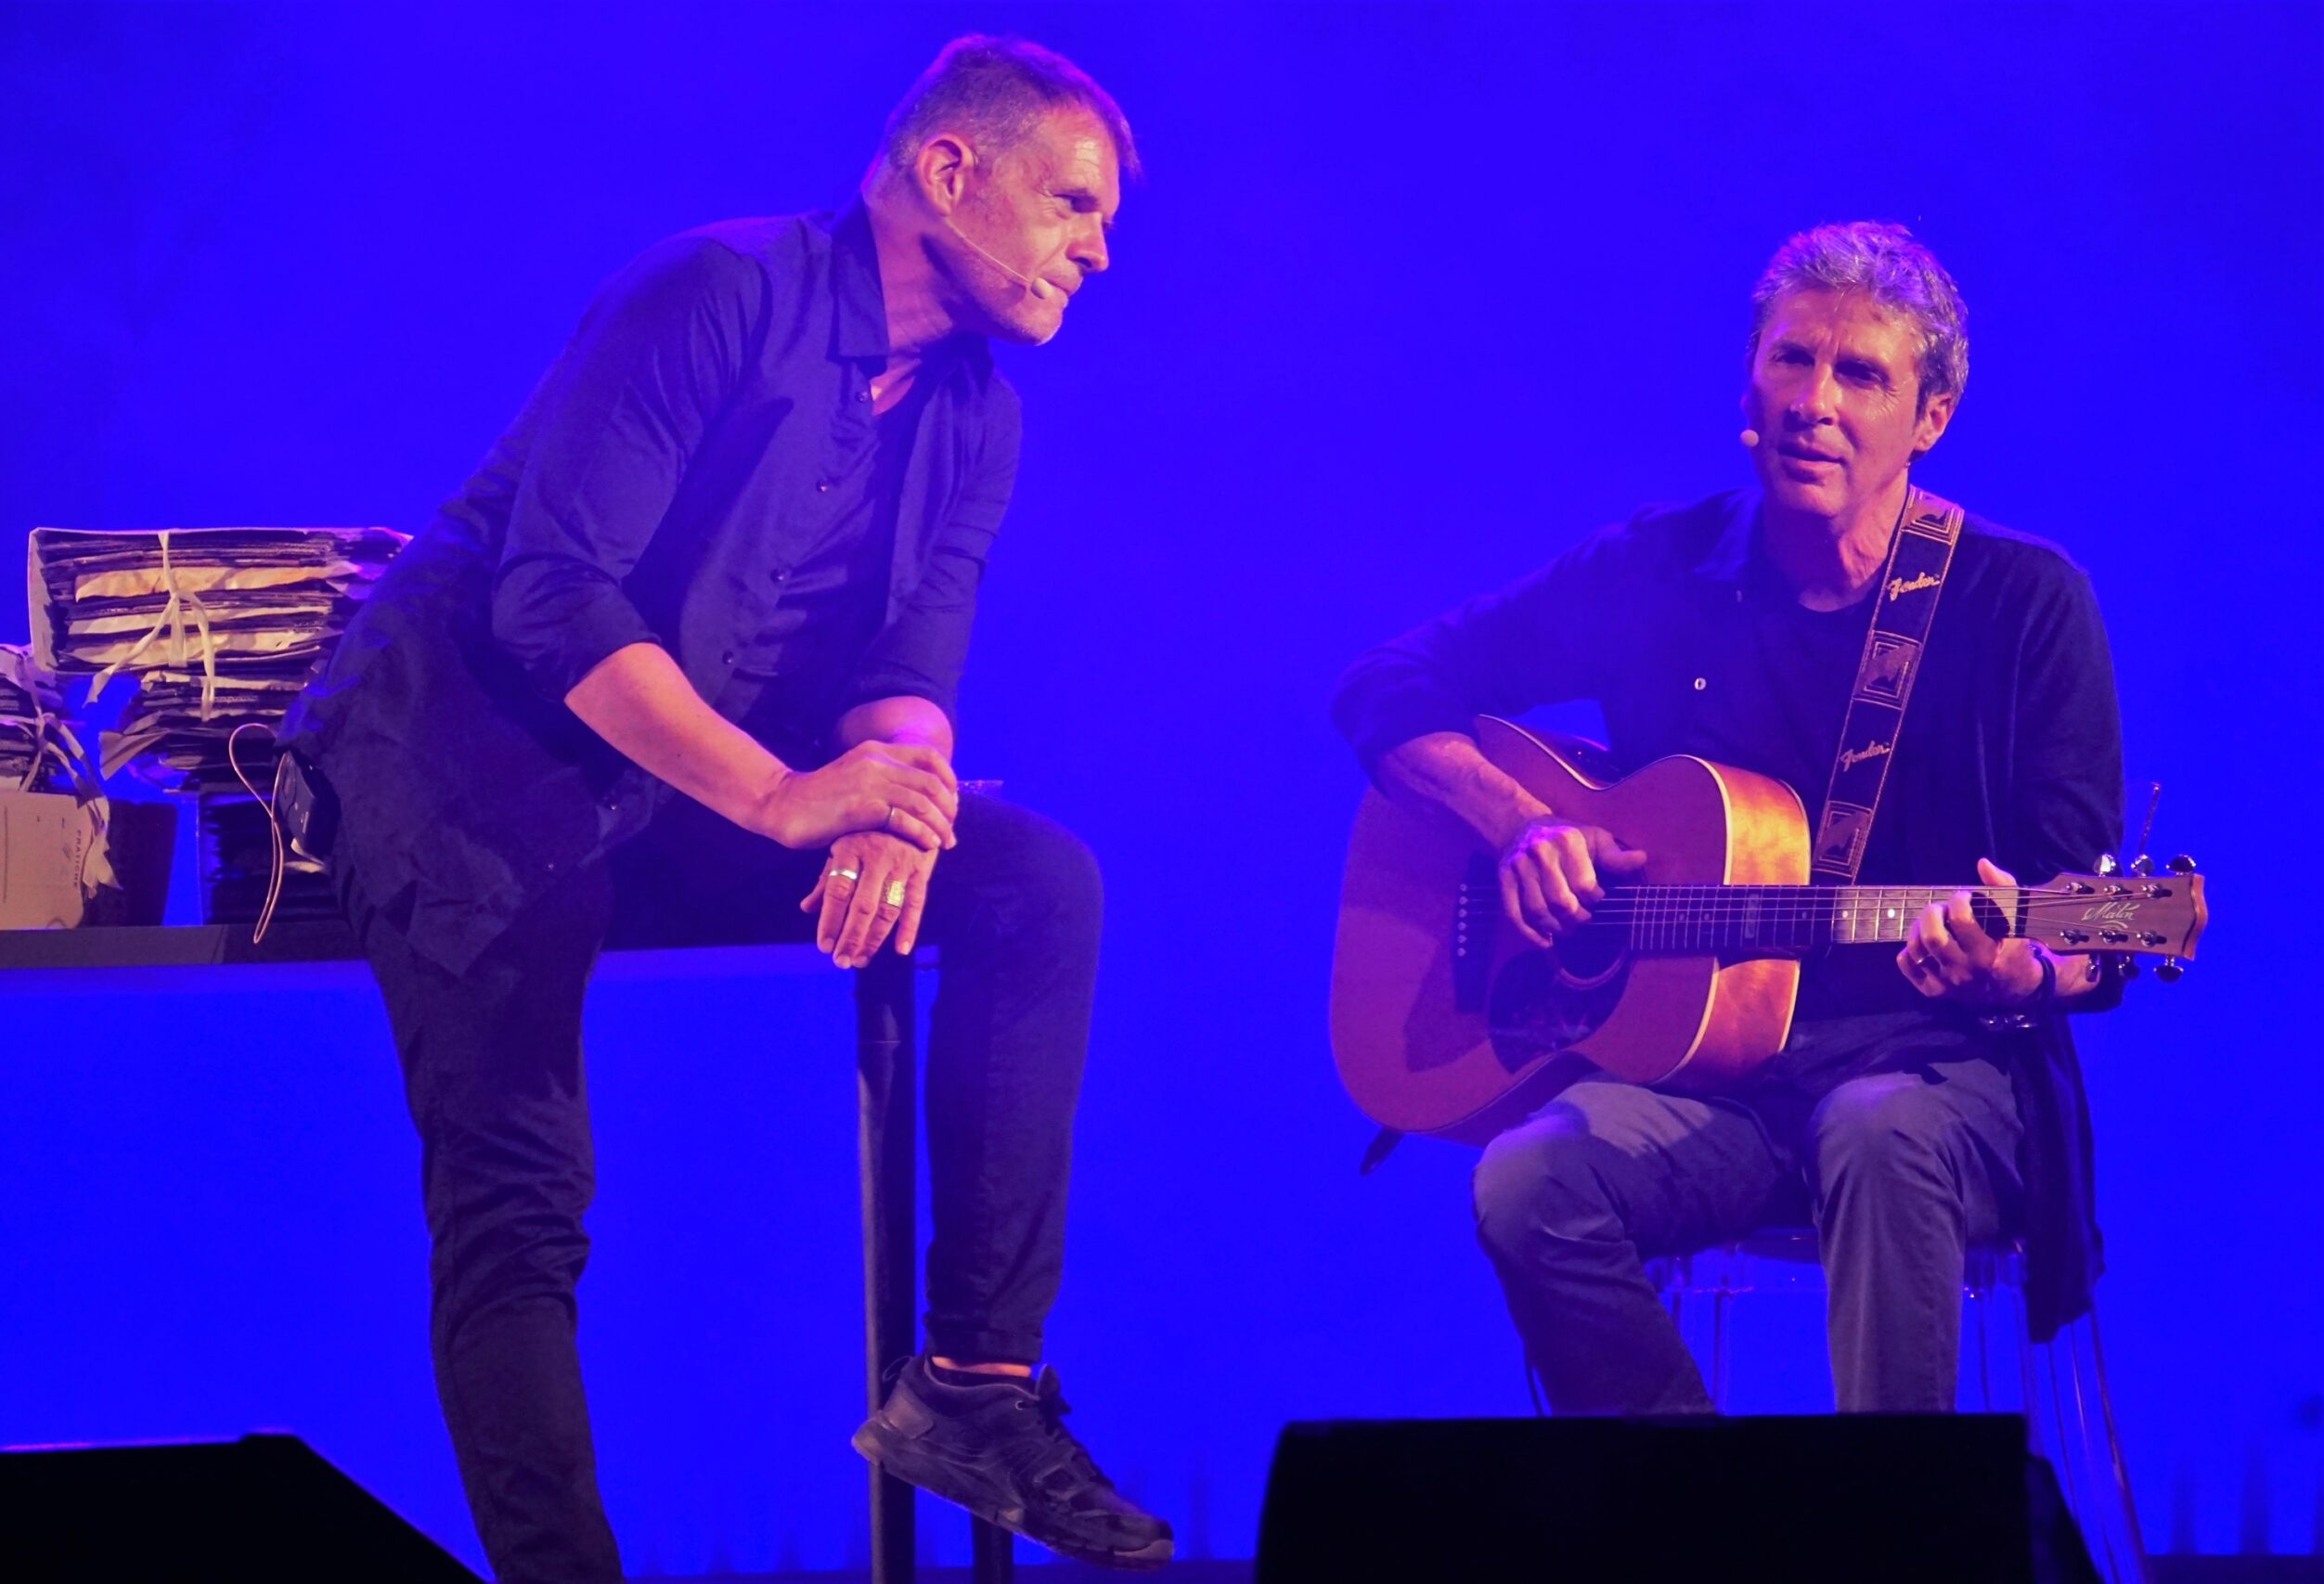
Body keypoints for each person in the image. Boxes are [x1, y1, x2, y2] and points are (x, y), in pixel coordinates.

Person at [280, 35, 1171, 1580]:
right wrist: (785, 796)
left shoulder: (977, 417)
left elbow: (906, 664)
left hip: (679, 776)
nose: (1100, 247)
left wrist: (895, 806)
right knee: (523, 1193)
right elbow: (551, 598)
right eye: (1074, 203)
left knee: (1035, 881)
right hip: (471, 752)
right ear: (949, 171)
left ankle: (975, 1384)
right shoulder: (718, 294)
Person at [1331, 222, 2124, 1415]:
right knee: (1527, 1180)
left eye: (1862, 375)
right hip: (1705, 1089)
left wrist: (2018, 967)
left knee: (1874, 1131)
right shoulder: (1657, 567)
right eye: (1792, 362)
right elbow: (1385, 686)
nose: (1816, 402)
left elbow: (2089, 933)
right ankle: (1706, 1521)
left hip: (1938, 1081)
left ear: (1931, 416)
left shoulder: (2022, 603)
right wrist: (1516, 827)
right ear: (1746, 383)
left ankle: (1890, 1541)